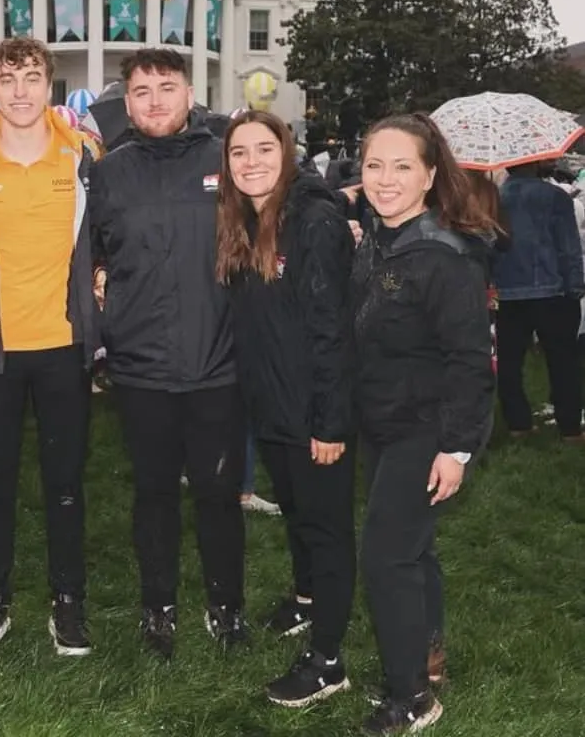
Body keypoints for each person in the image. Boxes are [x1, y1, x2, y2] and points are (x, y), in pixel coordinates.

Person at [90, 48, 248, 660]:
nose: (155, 99)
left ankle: (225, 605)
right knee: (153, 493)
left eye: (166, 86)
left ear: (190, 93)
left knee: (217, 493)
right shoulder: (108, 172)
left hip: (218, 362)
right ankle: (158, 608)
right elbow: (90, 252)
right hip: (141, 366)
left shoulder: (225, 160)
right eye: (141, 90)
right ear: (126, 101)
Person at [351, 113, 496, 734]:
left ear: (430, 175)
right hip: (382, 423)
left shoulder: (444, 255)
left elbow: (471, 359)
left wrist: (456, 450)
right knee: (413, 548)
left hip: (427, 429)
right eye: (374, 165)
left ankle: (411, 696)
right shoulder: (378, 238)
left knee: (386, 558)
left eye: (402, 165)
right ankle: (428, 653)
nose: (385, 179)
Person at [0, 38, 98, 657]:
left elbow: (112, 232)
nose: (20, 91)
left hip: (63, 346)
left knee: (65, 483)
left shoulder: (82, 158)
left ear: (49, 87)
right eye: (8, 79)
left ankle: (68, 603)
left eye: (32, 77)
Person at [215, 111, 357, 706]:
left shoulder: (314, 220)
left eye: (263, 150)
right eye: (239, 152)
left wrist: (330, 422)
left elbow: (331, 331)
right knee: (298, 514)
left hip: (312, 410)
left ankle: (328, 660)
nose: (251, 162)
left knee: (326, 530)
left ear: (288, 153)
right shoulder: (244, 220)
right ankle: (305, 601)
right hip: (270, 405)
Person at [491, 162, 584, 440]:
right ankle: (569, 426)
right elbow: (568, 246)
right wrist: (576, 285)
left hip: (509, 292)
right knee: (562, 361)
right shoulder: (556, 197)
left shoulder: (495, 199)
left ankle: (518, 423)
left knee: (510, 362)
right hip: (553, 290)